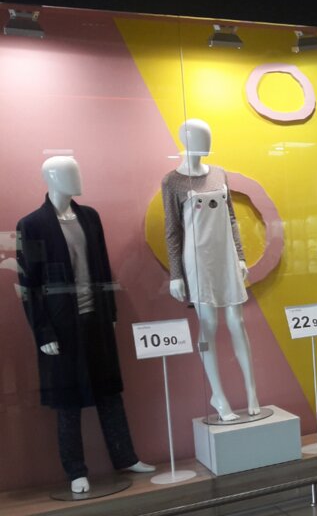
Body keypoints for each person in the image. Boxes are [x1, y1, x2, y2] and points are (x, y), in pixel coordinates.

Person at [17, 157, 153, 493]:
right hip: (61, 325)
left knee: (109, 392)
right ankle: (76, 471)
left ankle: (125, 457)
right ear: (50, 178)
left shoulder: (90, 217)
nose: (77, 178)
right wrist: (43, 332)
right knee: (68, 401)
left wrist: (111, 310)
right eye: (69, 173)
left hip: (96, 318)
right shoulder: (32, 225)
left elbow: (102, 267)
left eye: (76, 171)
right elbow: (29, 284)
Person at [162, 119, 259, 422]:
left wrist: (240, 257)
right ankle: (218, 395)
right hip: (198, 259)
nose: (207, 141)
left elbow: (231, 219)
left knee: (237, 321)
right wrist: (176, 274)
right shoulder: (172, 182)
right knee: (209, 325)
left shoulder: (219, 173)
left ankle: (252, 391)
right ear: (185, 139)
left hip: (226, 255)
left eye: (208, 135)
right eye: (200, 136)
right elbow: (173, 231)